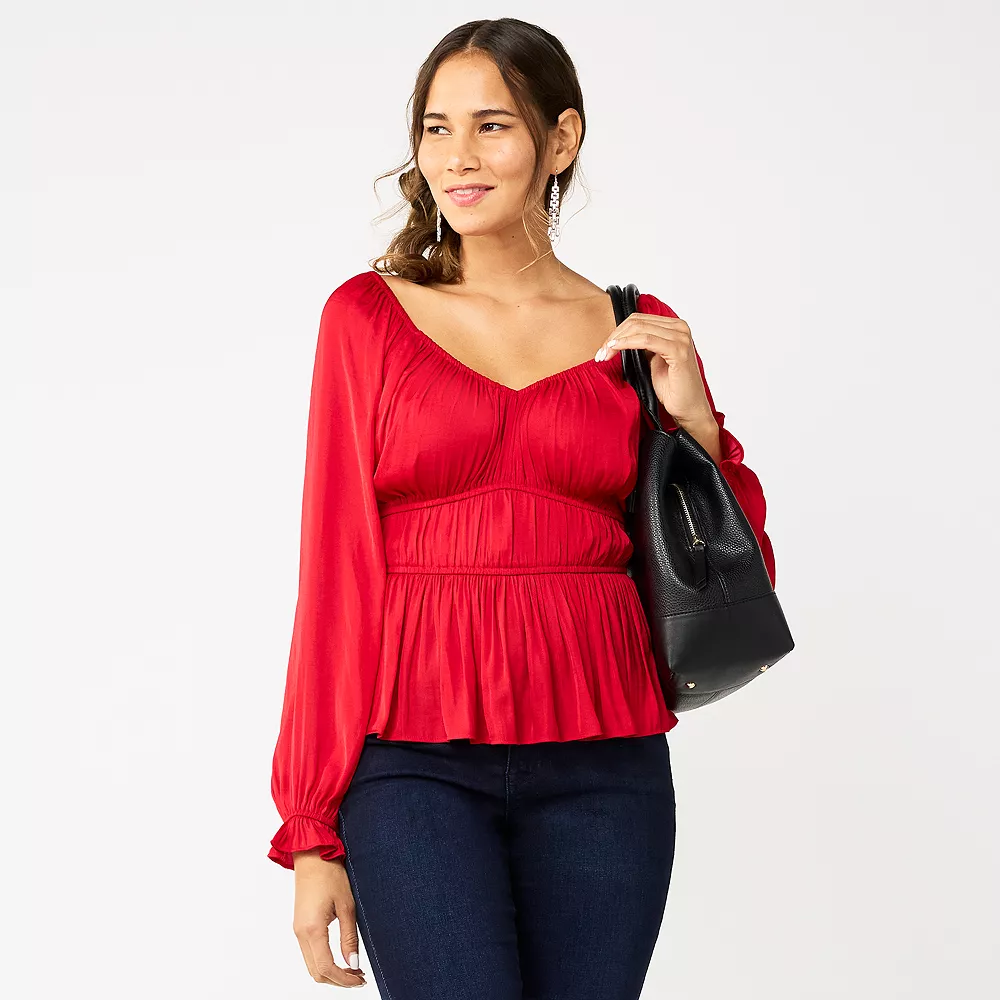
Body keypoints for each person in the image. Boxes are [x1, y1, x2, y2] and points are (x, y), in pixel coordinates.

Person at [268, 17, 776, 998]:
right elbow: (333, 575)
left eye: (491, 125)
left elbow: (729, 567)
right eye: (437, 128)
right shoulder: (366, 318)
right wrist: (312, 827)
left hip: (606, 766)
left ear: (561, 138)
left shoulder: (639, 331)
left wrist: (695, 427)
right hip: (410, 763)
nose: (457, 157)